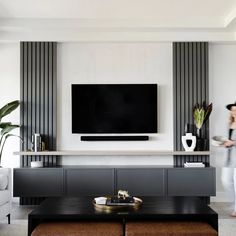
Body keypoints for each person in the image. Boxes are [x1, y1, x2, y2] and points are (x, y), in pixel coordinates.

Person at [221, 102, 236, 217]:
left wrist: (233, 142)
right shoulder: (230, 124)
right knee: (226, 181)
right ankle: (234, 205)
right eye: (232, 110)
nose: (233, 112)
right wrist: (224, 142)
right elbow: (229, 140)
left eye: (235, 110)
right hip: (229, 158)